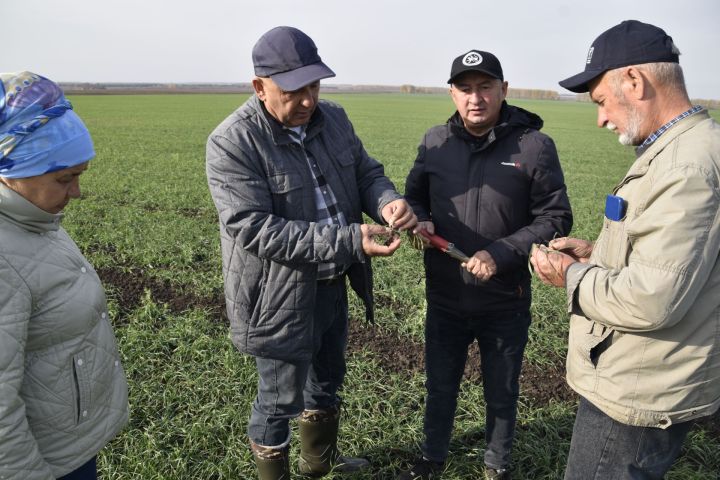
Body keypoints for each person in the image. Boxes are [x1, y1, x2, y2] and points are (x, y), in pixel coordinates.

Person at [205, 26, 417, 479]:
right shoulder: (232, 142)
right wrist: (346, 240)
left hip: (332, 283)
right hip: (277, 295)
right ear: (260, 87)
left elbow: (365, 172)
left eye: (314, 86)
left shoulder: (333, 119)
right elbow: (254, 228)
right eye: (293, 90)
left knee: (326, 380)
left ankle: (317, 466)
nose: (307, 100)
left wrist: (386, 200)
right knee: (278, 398)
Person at [530, 20, 720, 479]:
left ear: (634, 81)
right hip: (654, 374)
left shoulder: (684, 167)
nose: (600, 118)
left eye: (600, 100)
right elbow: (679, 261)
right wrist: (597, 253)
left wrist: (569, 276)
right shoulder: (687, 149)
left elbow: (653, 298)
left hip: (637, 390)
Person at [399, 50, 573, 480]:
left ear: (503, 90)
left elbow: (555, 216)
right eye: (465, 88)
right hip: (445, 294)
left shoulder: (533, 146)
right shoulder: (434, 142)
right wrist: (419, 218)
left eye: (485, 87)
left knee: (502, 391)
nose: (475, 98)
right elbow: (414, 195)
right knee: (440, 387)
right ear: (452, 93)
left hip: (504, 299)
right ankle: (431, 460)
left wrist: (500, 253)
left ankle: (496, 465)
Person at [0, 72, 129, 480]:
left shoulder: (34, 221)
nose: (76, 193)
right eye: (64, 178)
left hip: (65, 446)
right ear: (11, 169)